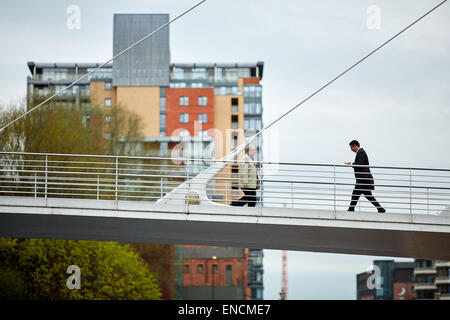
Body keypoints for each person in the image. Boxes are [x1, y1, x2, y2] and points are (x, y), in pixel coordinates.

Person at [346, 140, 386, 213]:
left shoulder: (360, 152)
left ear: (355, 145)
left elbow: (360, 164)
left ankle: (351, 210)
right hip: (363, 179)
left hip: (362, 179)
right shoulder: (361, 152)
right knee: (366, 195)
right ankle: (380, 209)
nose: (351, 150)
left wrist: (352, 164)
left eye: (351, 147)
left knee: (356, 194)